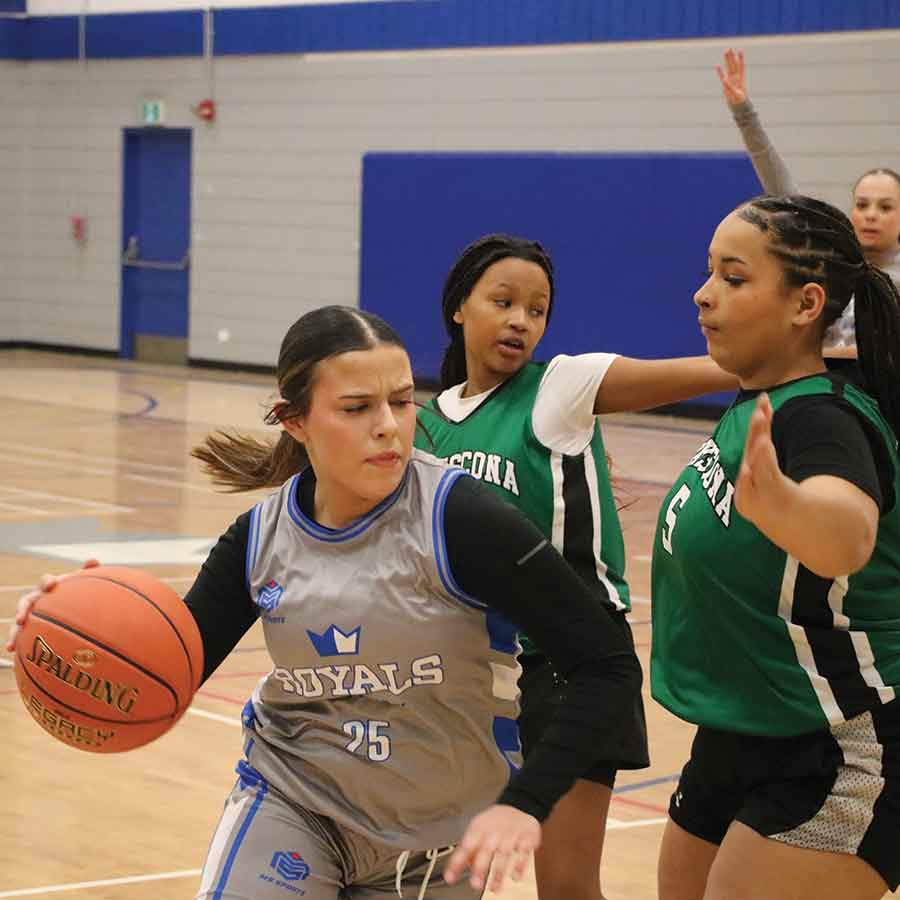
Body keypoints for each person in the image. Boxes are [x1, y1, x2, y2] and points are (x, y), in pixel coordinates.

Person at [7, 305, 644, 900]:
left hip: (435, 837)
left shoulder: (464, 519)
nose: (388, 427)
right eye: (357, 407)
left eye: (400, 401)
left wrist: (527, 801)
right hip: (294, 797)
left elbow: (607, 666)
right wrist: (73, 630)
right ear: (296, 420)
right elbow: (170, 665)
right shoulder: (259, 538)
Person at [416, 234, 739, 900]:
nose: (521, 321)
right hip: (482, 670)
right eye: (503, 301)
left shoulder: (561, 386)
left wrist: (809, 357)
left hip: (574, 661)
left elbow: (713, 370)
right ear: (459, 307)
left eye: (536, 310)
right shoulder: (431, 424)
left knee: (564, 885)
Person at [652, 194, 900, 900]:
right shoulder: (755, 401)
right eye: (709, 274)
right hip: (741, 728)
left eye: (733, 279)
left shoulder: (821, 420)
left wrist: (788, 506)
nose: (703, 295)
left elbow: (847, 530)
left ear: (805, 304)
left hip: (841, 743)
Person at [716, 47, 900, 358]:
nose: (871, 216)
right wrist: (744, 114)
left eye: (885, 207)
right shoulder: (832, 258)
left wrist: (820, 356)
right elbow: (786, 195)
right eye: (863, 204)